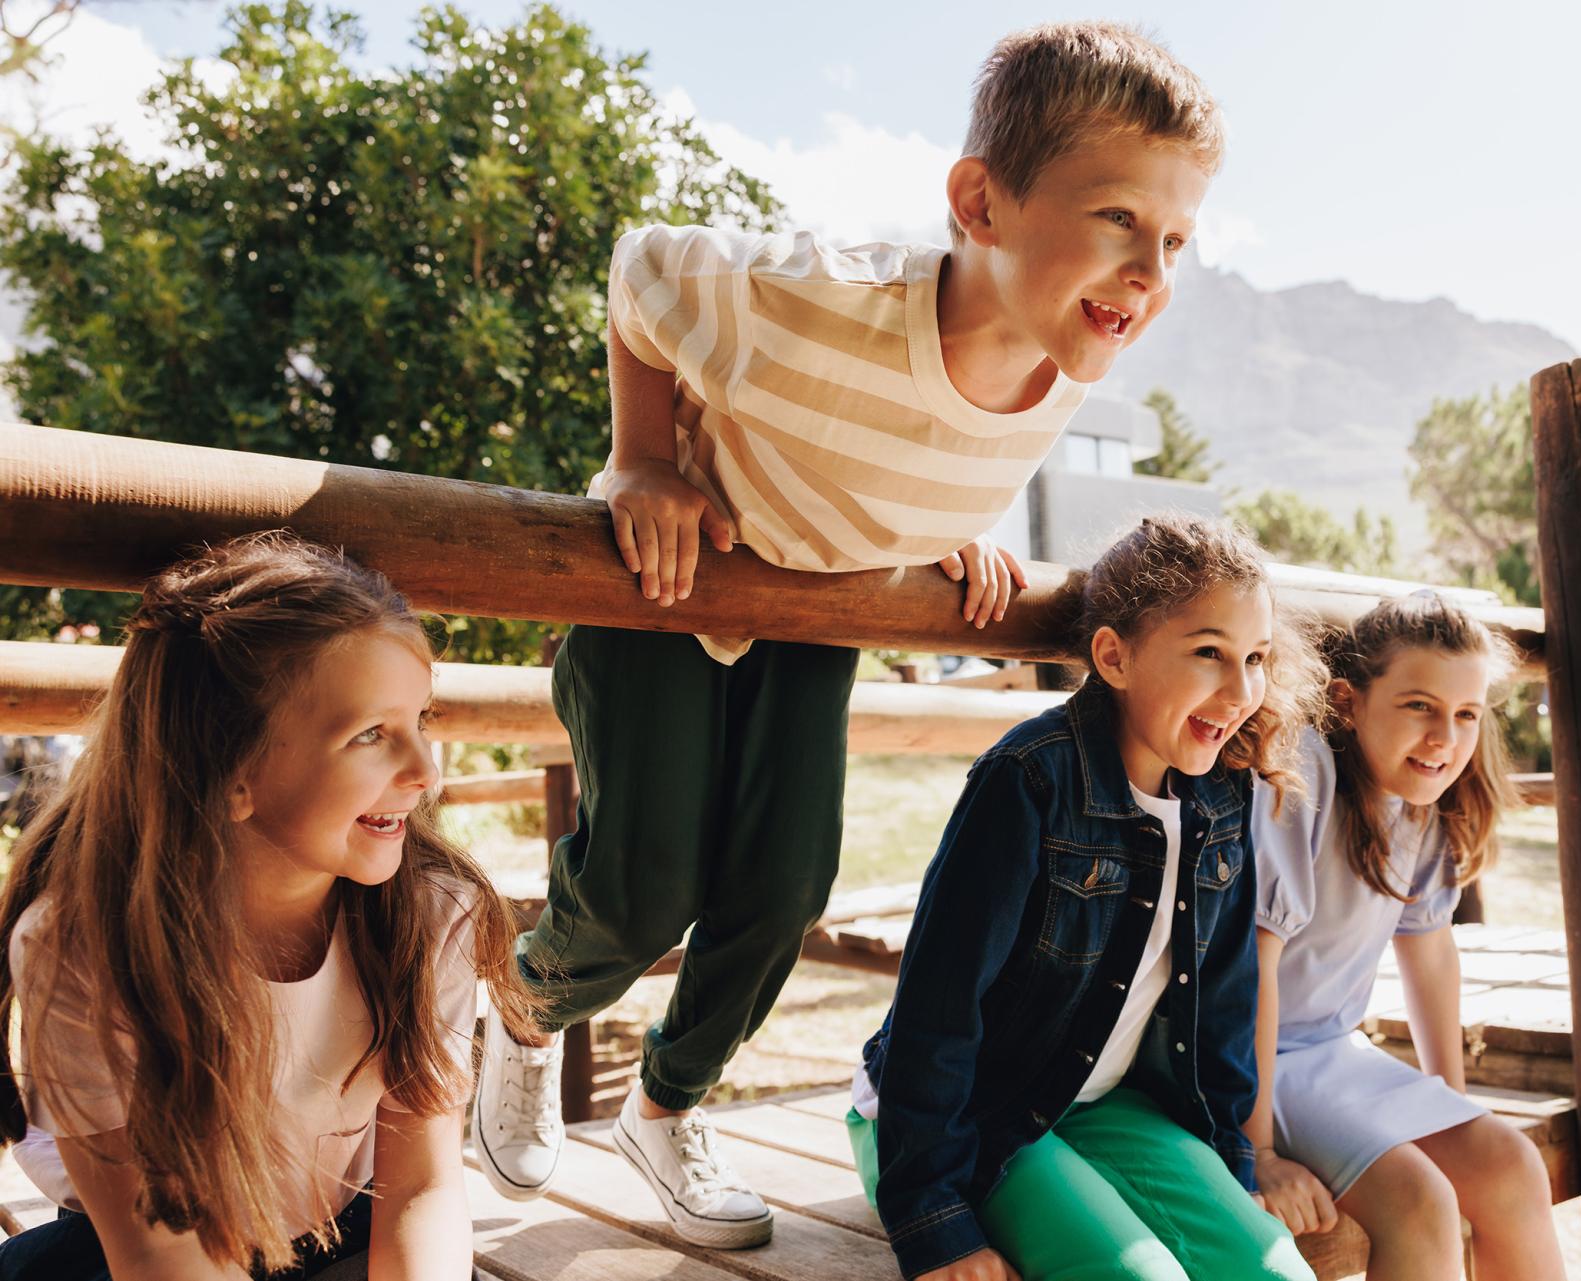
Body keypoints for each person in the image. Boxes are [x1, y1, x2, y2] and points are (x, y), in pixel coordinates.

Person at [472, 20, 1225, 1251]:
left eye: (1177, 240)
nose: (1149, 271)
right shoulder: (808, 299)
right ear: (981, 203)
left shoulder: (1072, 351)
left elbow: (919, 442)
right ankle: (521, 1003)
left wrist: (949, 538)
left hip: (818, 613)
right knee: (638, 891)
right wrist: (640, 460)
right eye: (1118, 220)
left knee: (782, 893)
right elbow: (639, 271)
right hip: (675, 584)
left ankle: (665, 1107)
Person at [0, 532, 540, 1281]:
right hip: (145, 1241)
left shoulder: (431, 911)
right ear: (231, 771)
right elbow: (156, 1249)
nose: (424, 771)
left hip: (349, 1222)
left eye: (425, 721)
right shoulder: (84, 947)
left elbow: (420, 1185)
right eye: (370, 735)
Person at [851, 516, 1323, 1281]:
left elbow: (1225, 1012)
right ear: (1114, 655)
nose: (1242, 690)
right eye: (1209, 652)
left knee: (1276, 1272)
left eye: (1257, 658)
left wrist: (1235, 1173)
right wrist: (935, 1222)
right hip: (961, 1116)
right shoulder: (1028, 781)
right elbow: (939, 1010)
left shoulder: (1226, 798)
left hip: (1103, 1106)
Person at [1246, 594, 1565, 1281]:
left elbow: (1431, 952)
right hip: (1251, 1059)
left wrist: (1446, 1099)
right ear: (1349, 701)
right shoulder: (1300, 774)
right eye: (1419, 705)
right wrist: (1259, 1153)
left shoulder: (1422, 799)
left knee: (1512, 1166)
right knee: (1422, 1202)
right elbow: (1255, 972)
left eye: (1465, 714)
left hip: (1334, 1051)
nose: (1444, 736)